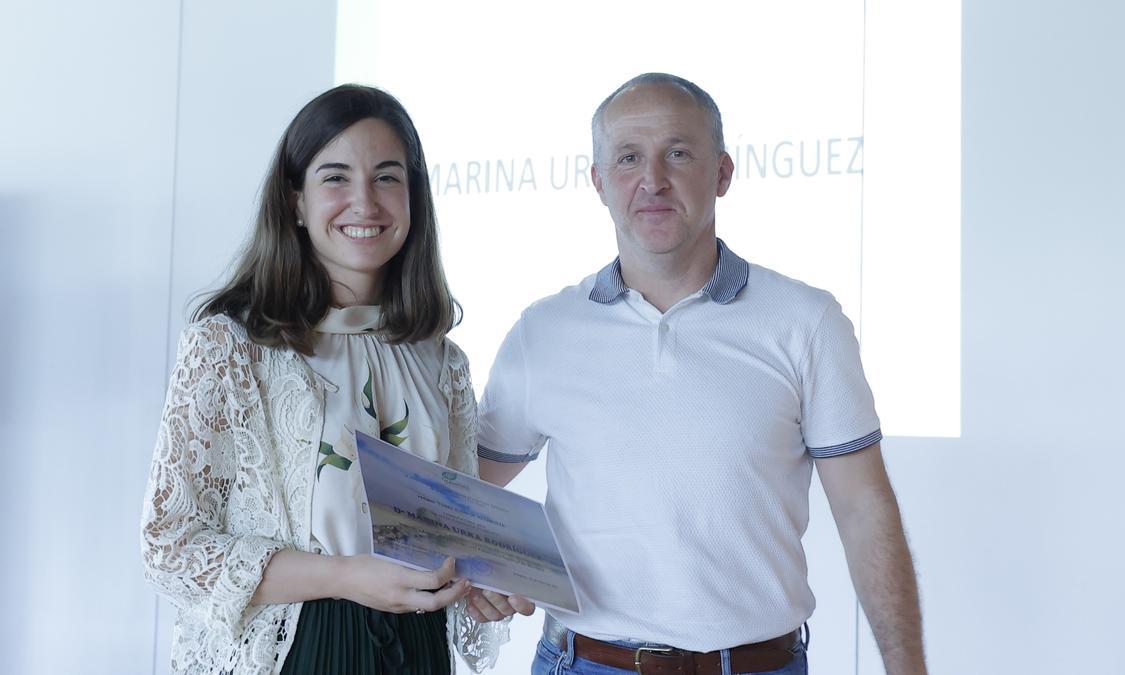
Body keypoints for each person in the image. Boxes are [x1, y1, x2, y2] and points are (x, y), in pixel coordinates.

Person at [469, 73, 928, 674]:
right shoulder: (544, 331)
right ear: (599, 183)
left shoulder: (806, 321)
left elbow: (865, 510)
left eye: (678, 153)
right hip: (583, 664)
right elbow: (465, 487)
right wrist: (476, 570)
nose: (652, 179)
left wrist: (908, 668)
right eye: (628, 158)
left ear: (722, 173)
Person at [139, 84, 510, 675]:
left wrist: (485, 581)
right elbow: (170, 545)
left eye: (388, 177)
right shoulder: (230, 346)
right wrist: (345, 576)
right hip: (296, 650)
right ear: (295, 202)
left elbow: (450, 537)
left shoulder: (442, 359)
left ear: (414, 198)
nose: (365, 203)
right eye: (335, 177)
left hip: (416, 651)